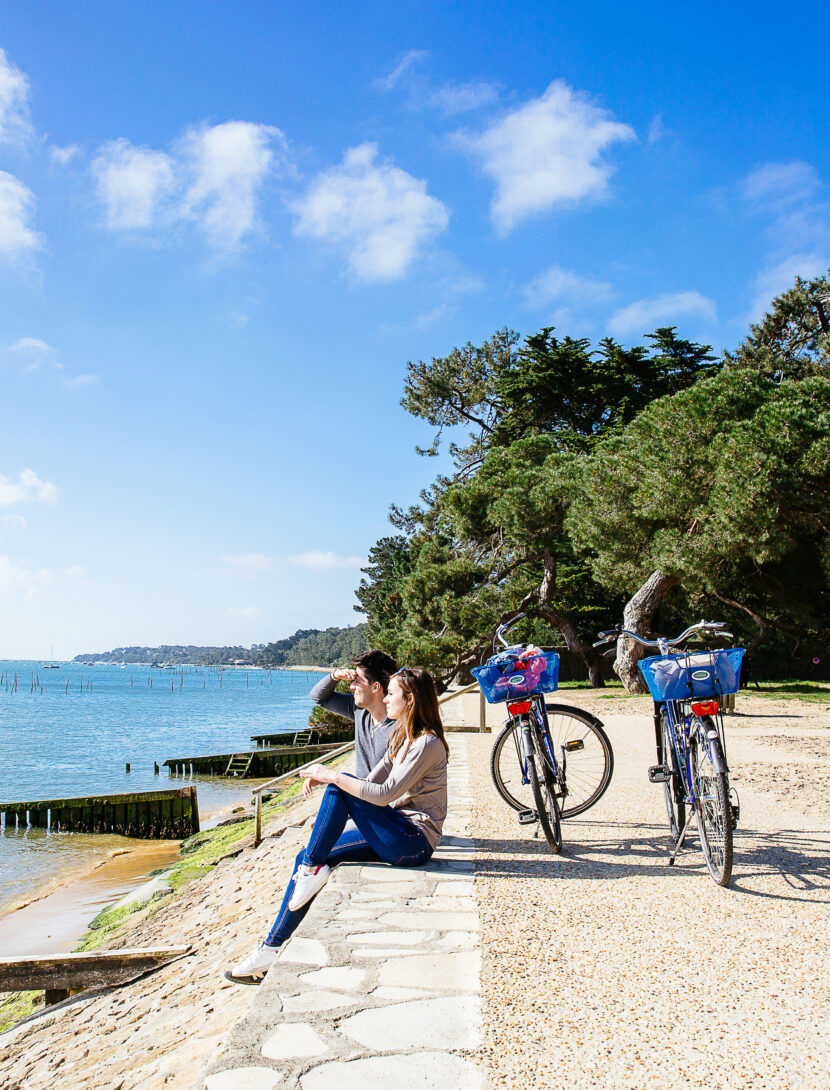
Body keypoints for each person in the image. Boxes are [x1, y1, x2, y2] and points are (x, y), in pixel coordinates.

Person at [227, 667, 449, 984]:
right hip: (395, 833)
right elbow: (369, 783)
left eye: (392, 694)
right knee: (306, 855)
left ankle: (310, 872)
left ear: (410, 699)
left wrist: (332, 778)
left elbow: (385, 794)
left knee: (336, 791)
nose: (386, 699)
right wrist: (330, 804)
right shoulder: (402, 735)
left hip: (414, 841)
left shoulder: (426, 744)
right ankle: (270, 949)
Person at [310, 650, 399, 777]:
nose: (351, 686)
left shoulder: (399, 728)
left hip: (379, 794)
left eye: (357, 681)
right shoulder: (359, 709)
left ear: (375, 687)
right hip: (360, 791)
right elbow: (318, 697)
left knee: (334, 786)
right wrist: (334, 676)